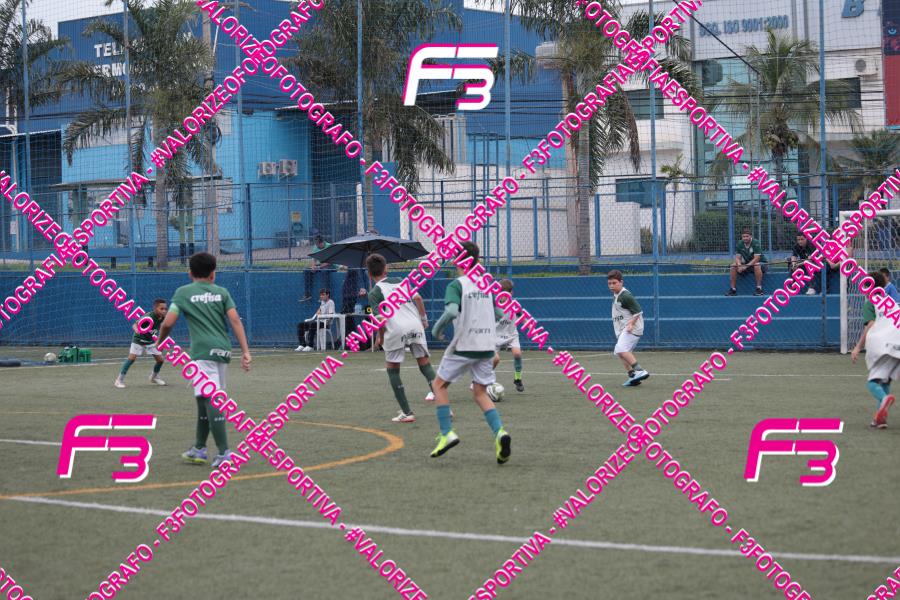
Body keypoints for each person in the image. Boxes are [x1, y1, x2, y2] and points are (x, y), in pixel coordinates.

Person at [156, 252, 252, 468]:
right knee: (203, 399)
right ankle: (199, 448)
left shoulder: (183, 293)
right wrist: (245, 351)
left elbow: (168, 322)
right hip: (223, 352)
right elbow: (235, 320)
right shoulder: (222, 292)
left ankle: (224, 453)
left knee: (211, 399)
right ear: (213, 274)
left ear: (190, 273)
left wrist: (160, 341)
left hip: (202, 353)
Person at [431, 241, 511, 463]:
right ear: (476, 260)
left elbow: (451, 311)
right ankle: (500, 433)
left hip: (465, 345)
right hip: (487, 346)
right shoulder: (487, 285)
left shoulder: (456, 285)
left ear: (457, 260)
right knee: (480, 392)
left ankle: (446, 433)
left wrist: (436, 330)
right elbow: (499, 314)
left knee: (438, 385)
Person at [366, 253, 436, 423]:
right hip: (415, 325)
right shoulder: (400, 281)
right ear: (386, 269)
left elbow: (381, 320)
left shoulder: (375, 292)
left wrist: (380, 338)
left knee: (392, 369)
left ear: (369, 274)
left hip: (396, 329)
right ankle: (445, 407)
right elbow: (418, 298)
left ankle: (407, 412)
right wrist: (424, 319)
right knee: (425, 364)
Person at [851, 271, 899, 428]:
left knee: (872, 383)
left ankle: (884, 400)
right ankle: (880, 419)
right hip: (898, 344)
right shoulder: (891, 302)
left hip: (884, 346)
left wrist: (857, 347)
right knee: (885, 381)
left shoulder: (870, 303)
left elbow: (870, 326)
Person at [608, 269, 650, 387]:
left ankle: (640, 370)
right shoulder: (617, 295)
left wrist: (631, 324)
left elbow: (638, 311)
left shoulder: (625, 296)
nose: (611, 286)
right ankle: (633, 377)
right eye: (609, 283)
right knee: (620, 352)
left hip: (632, 329)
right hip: (624, 329)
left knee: (621, 349)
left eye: (614, 283)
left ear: (621, 282)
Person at [114, 298, 167, 388]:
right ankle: (119, 380)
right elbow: (134, 325)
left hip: (150, 341)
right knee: (131, 359)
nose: (164, 311)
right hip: (139, 339)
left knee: (160, 360)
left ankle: (154, 377)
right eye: (161, 309)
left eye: (165, 309)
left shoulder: (163, 317)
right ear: (155, 308)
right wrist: (137, 330)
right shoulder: (148, 317)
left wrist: (160, 342)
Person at [493, 279, 524, 393]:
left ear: (511, 293)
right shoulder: (494, 304)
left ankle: (517, 379)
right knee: (495, 359)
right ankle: (484, 378)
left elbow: (522, 317)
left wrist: (531, 327)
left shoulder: (515, 305)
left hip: (511, 334)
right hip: (495, 335)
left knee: (517, 354)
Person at [725, 227, 767, 296]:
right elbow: (737, 258)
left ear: (751, 236)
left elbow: (757, 258)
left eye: (747, 236)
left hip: (761, 264)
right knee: (733, 266)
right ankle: (733, 290)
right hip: (748, 265)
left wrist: (745, 266)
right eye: (743, 237)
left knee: (756, 265)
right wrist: (739, 265)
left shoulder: (755, 243)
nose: (745, 238)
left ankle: (759, 289)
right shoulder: (740, 243)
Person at [301, 235, 332, 302]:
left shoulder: (329, 246)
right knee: (306, 270)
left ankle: (325, 295)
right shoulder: (315, 247)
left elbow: (330, 262)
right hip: (320, 265)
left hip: (330, 265)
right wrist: (313, 267)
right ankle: (307, 295)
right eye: (316, 244)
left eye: (318, 244)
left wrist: (318, 267)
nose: (316, 246)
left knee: (324, 271)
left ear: (322, 242)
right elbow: (313, 259)